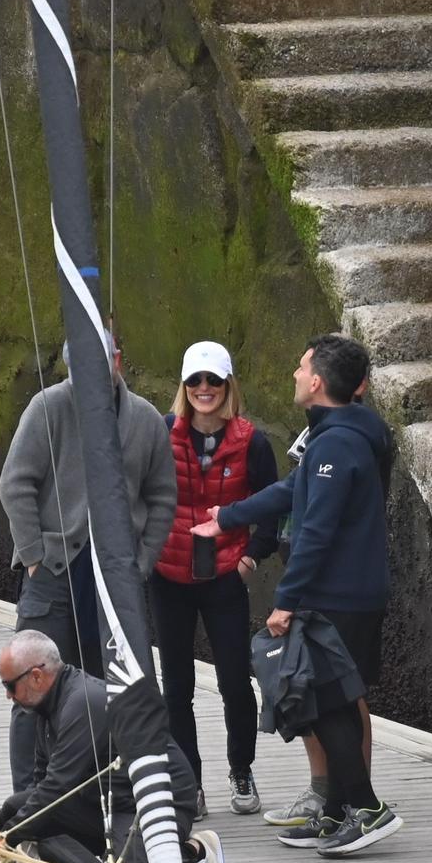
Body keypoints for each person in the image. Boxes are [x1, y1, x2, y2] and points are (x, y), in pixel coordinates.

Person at [194, 334, 402, 858]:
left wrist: (286, 599)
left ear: (316, 382)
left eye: (300, 365)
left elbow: (316, 530)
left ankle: (367, 808)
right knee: (319, 698)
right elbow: (295, 489)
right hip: (341, 590)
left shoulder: (338, 443)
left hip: (340, 594)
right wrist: (229, 517)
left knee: (327, 701)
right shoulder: (336, 436)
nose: (293, 371)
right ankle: (334, 810)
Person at [0, 331, 178, 791]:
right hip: (54, 572)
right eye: (79, 365)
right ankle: (27, 799)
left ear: (118, 359)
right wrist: (35, 556)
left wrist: (142, 564)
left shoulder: (146, 420)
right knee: (29, 690)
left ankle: (115, 791)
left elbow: (162, 498)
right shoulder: (48, 407)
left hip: (117, 577)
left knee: (120, 687)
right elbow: (15, 483)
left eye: (101, 361)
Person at [0, 630, 225, 863]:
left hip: (151, 798)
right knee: (28, 812)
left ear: (36, 676)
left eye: (9, 686)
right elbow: (40, 787)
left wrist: (4, 838)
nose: (8, 696)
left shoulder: (83, 702)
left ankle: (195, 850)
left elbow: (56, 788)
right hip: (106, 799)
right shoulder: (46, 708)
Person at [150, 341, 278, 818]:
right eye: (195, 381)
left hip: (224, 574)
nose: (204, 389)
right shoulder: (162, 433)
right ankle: (190, 783)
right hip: (169, 575)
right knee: (176, 685)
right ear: (184, 387)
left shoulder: (252, 441)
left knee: (234, 682)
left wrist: (252, 556)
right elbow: (140, 493)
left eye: (214, 381)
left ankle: (241, 770)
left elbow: (274, 506)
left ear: (228, 386)